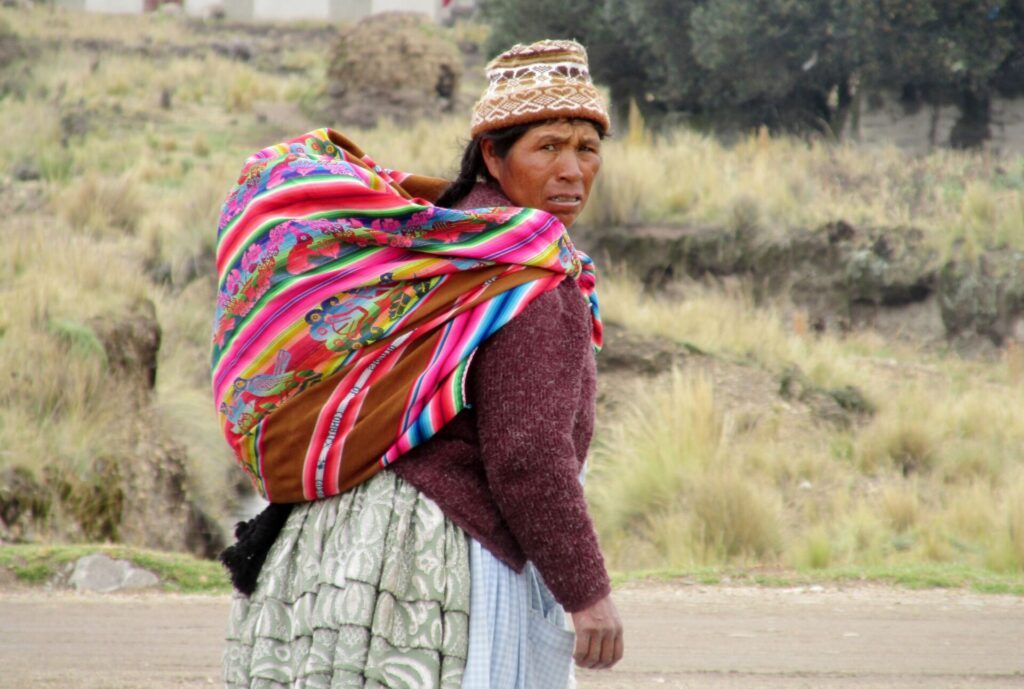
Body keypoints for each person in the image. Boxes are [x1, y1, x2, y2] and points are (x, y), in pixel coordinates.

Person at [217, 39, 623, 689]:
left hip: (328, 558)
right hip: (429, 569)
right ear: (493, 152)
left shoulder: (436, 246)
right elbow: (528, 455)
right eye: (547, 147)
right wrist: (587, 592)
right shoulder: (525, 274)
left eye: (587, 148)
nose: (572, 170)